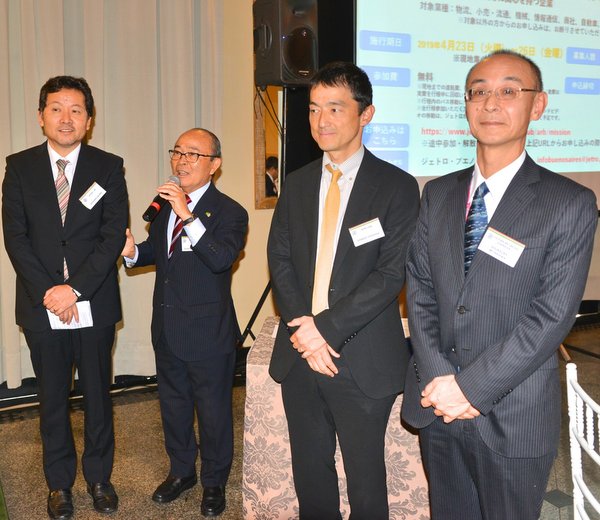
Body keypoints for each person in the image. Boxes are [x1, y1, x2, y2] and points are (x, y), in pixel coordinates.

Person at [401, 50, 598, 520]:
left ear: (538, 105)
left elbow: (551, 317)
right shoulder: (438, 193)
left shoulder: (568, 202)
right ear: (467, 104)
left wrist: (469, 389)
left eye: (509, 91)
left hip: (513, 411)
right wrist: (441, 379)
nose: (491, 103)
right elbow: (421, 290)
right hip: (437, 402)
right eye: (479, 92)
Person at [267, 62, 420, 519]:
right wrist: (305, 333)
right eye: (314, 109)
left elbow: (390, 274)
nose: (321, 120)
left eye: (335, 108)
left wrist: (324, 331)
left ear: (365, 114)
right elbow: (280, 260)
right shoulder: (297, 184)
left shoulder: (395, 186)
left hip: (361, 356)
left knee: (365, 482)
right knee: (310, 474)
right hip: (300, 354)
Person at [2, 76, 128, 519]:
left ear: (89, 120)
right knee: (52, 399)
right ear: (41, 117)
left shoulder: (108, 167)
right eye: (56, 108)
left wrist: (74, 289)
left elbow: (112, 236)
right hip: (42, 307)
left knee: (98, 396)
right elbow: (16, 238)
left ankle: (99, 478)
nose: (66, 118)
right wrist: (51, 292)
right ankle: (59, 484)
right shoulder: (19, 167)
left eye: (76, 109)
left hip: (94, 302)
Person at [121, 128, 248, 517]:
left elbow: (220, 258)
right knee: (173, 408)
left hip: (208, 333)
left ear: (214, 165)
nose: (182, 160)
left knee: (213, 413)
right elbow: (162, 253)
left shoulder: (230, 212)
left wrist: (188, 215)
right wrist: (132, 252)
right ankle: (181, 472)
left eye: (194, 154)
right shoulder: (165, 207)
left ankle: (214, 482)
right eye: (178, 152)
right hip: (167, 327)